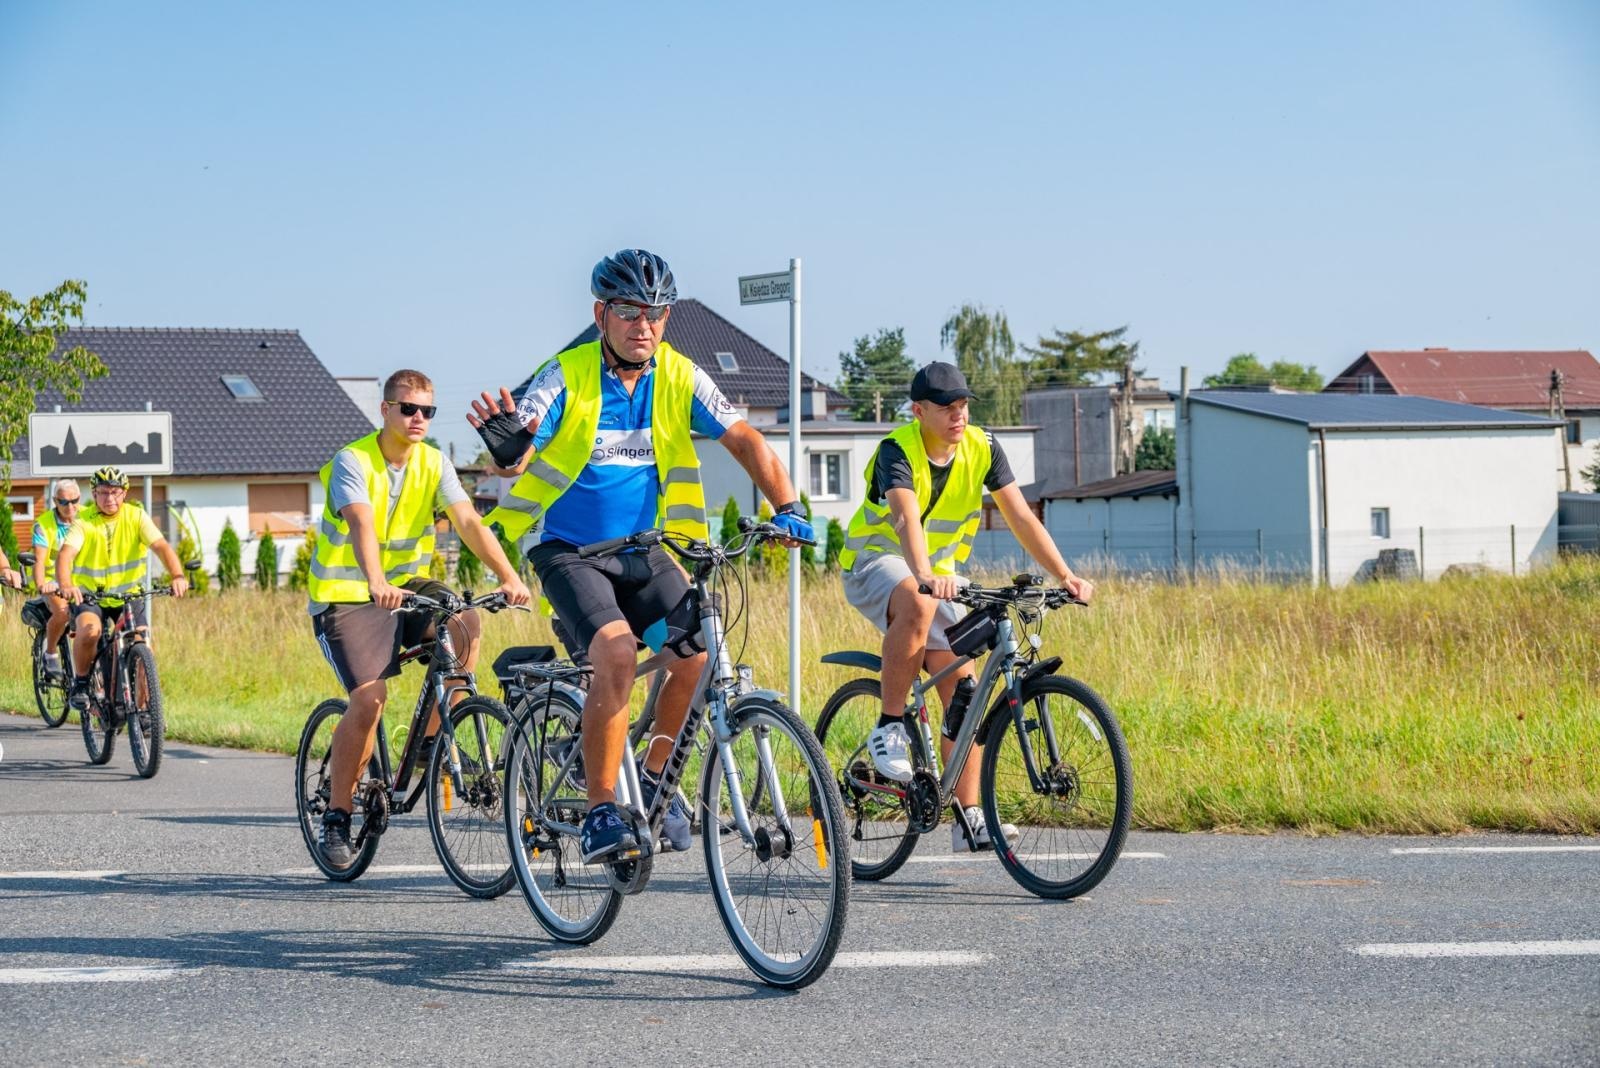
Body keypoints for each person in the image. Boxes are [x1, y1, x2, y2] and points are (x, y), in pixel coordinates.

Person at [470, 248, 813, 863]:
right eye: (629, 312)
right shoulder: (565, 374)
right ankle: (603, 807)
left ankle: (654, 779)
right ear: (602, 313)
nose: (644, 326)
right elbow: (518, 449)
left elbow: (745, 439)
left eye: (656, 313)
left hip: (644, 549)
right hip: (567, 551)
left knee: (697, 654)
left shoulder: (680, 375)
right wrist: (506, 451)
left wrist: (789, 506)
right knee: (618, 650)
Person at [837, 361, 1095, 851]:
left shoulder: (983, 446)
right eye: (946, 407)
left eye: (963, 405)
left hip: (942, 576)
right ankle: (891, 726)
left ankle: (967, 815)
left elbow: (1020, 515)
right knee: (916, 599)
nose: (958, 415)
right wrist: (925, 574)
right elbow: (905, 517)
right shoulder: (898, 450)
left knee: (966, 686)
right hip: (877, 563)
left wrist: (1065, 575)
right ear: (918, 411)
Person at [310, 369, 531, 869]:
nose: (418, 419)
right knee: (370, 700)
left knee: (465, 618)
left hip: (406, 590)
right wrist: (375, 581)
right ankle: (338, 817)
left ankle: (434, 739)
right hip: (345, 596)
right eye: (408, 408)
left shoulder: (434, 463)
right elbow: (362, 522)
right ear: (385, 410)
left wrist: (509, 577)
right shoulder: (353, 460)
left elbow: (469, 522)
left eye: (427, 411)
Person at [56, 467, 190, 711]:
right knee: (90, 632)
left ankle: (145, 710)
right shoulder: (83, 522)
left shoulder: (136, 516)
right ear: (94, 494)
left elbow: (161, 546)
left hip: (128, 594)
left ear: (124, 493)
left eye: (115, 492)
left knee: (143, 644)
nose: (110, 498)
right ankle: (82, 682)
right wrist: (66, 584)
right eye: (103, 492)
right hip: (90, 595)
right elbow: (65, 556)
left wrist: (178, 575)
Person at [29, 478, 83, 675]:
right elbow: (39, 560)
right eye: (63, 502)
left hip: (83, 580)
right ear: (55, 501)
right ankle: (50, 654)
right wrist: (42, 584)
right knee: (62, 612)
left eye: (74, 500)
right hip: (54, 582)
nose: (70, 506)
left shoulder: (88, 516)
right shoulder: (44, 525)